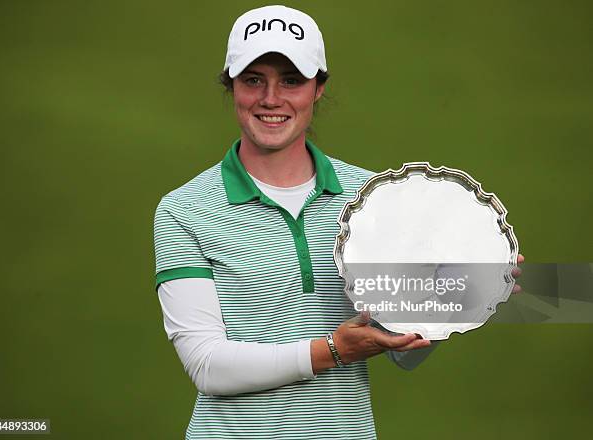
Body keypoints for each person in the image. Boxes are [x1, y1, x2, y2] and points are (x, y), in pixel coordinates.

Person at [153, 5, 524, 439]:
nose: (271, 99)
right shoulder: (184, 209)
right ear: (231, 86)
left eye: (291, 81)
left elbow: (402, 353)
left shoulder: (373, 199)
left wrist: (448, 304)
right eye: (254, 80)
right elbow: (207, 365)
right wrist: (332, 351)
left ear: (318, 89)